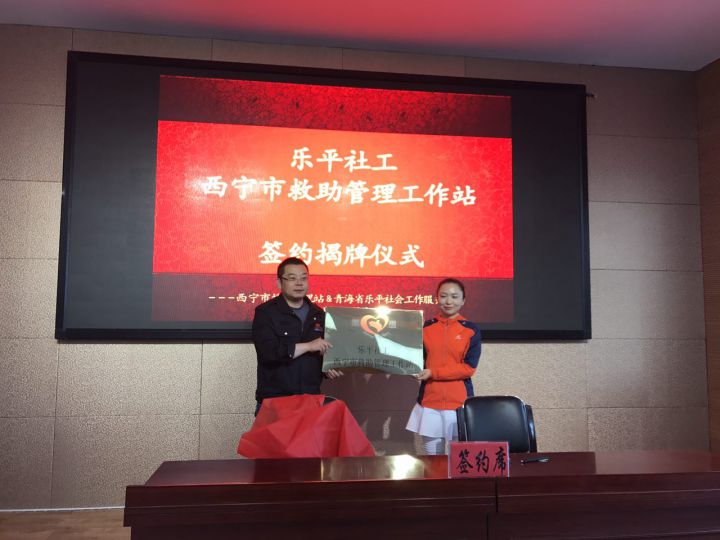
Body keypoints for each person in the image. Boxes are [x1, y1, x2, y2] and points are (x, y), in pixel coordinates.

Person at [252, 257, 342, 415]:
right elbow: (269, 353)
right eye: (292, 278)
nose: (299, 283)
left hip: (310, 400)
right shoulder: (266, 313)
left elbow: (322, 352)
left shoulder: (319, 314)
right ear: (279, 283)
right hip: (275, 402)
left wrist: (328, 367)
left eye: (303, 278)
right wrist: (308, 346)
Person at [405, 278, 482, 455]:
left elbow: (469, 368)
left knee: (460, 458)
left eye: (454, 297)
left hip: (459, 402)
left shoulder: (470, 330)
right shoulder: (426, 327)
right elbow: (417, 361)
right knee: (433, 459)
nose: (448, 301)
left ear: (463, 300)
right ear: (437, 298)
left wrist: (433, 372)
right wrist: (410, 369)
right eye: (443, 296)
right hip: (430, 402)